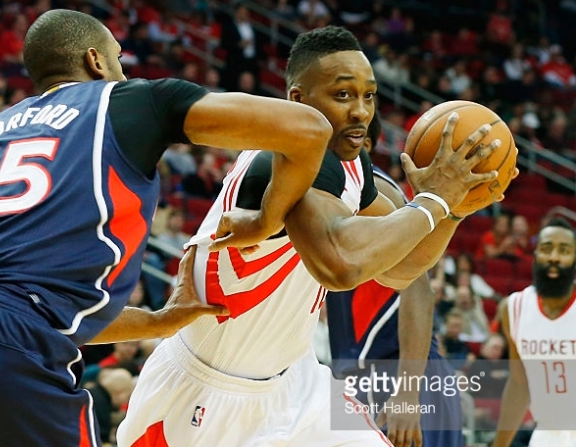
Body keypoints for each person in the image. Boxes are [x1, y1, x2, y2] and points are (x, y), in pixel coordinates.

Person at [0, 9, 336, 447]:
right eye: (119, 58)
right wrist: (267, 220)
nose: (124, 71)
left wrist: (158, 321)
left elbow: (11, 301)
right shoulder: (126, 101)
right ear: (96, 62)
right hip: (9, 343)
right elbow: (310, 127)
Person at [117, 25, 504, 447]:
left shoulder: (350, 161)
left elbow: (404, 271)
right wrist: (434, 202)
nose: (360, 111)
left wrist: (454, 210)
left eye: (368, 95)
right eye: (343, 95)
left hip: (295, 381)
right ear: (298, 101)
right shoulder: (283, 163)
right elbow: (340, 266)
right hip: (208, 394)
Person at [326, 113, 464, 447]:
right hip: (368, 375)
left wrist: (407, 391)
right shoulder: (323, 192)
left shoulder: (374, 189)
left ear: (365, 146)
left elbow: (418, 290)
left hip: (401, 375)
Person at [492, 217, 576, 447]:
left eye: (564, 250)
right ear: (535, 253)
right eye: (547, 248)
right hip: (547, 433)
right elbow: (519, 384)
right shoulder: (514, 308)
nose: (554, 257)